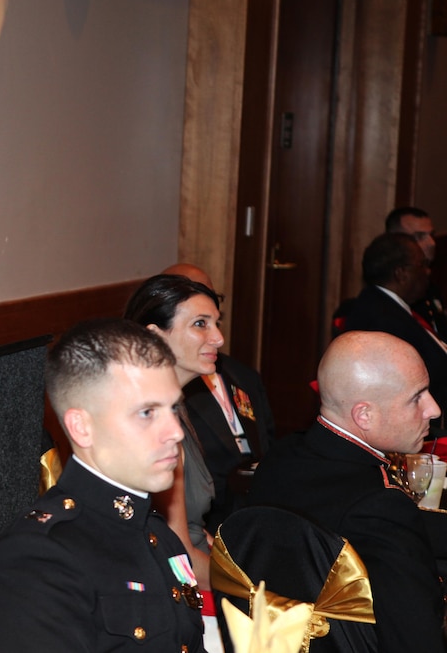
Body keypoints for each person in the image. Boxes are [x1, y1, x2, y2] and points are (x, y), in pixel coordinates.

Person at [0, 318, 205, 651]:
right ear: (81, 427)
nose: (176, 432)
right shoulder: (38, 559)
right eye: (148, 412)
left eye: (173, 408)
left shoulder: (159, 536)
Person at [249, 331, 446, 653]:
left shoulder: (281, 457)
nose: (433, 409)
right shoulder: (376, 503)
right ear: (363, 415)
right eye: (417, 397)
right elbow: (415, 637)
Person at [126, 275, 274, 533]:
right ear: (155, 336)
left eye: (216, 323)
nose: (218, 338)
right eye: (200, 324)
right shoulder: (144, 421)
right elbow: (173, 543)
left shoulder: (177, 407)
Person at [339, 232, 447, 413]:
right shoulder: (384, 322)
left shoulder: (392, 306)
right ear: (401, 274)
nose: (428, 271)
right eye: (422, 264)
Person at [386, 206, 446, 337]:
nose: (431, 243)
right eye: (419, 236)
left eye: (431, 235)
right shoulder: (395, 289)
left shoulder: (432, 285)